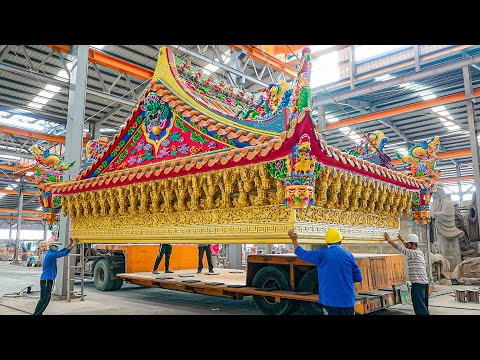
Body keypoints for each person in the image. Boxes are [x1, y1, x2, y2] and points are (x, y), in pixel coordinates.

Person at [288, 228, 363, 315]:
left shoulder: (322, 255)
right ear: (340, 241)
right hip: (347, 301)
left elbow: (302, 253)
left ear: (327, 242)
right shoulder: (349, 256)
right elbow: (359, 278)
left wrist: (294, 240)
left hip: (329, 301)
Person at [383, 232, 429, 315]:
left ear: (413, 245)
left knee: (419, 308)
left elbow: (401, 248)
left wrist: (389, 240)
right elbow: (406, 246)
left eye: (408, 244)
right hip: (423, 284)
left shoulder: (413, 253)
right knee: (423, 307)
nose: (406, 246)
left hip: (418, 285)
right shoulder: (419, 252)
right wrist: (401, 239)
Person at [33, 235, 77, 315]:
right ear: (50, 246)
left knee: (44, 299)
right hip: (46, 280)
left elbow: (61, 251)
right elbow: (64, 253)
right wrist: (73, 245)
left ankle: (38, 313)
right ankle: (37, 314)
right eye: (55, 245)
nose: (56, 247)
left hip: (47, 280)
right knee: (45, 299)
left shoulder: (51, 253)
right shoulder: (50, 255)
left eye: (57, 245)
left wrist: (69, 244)